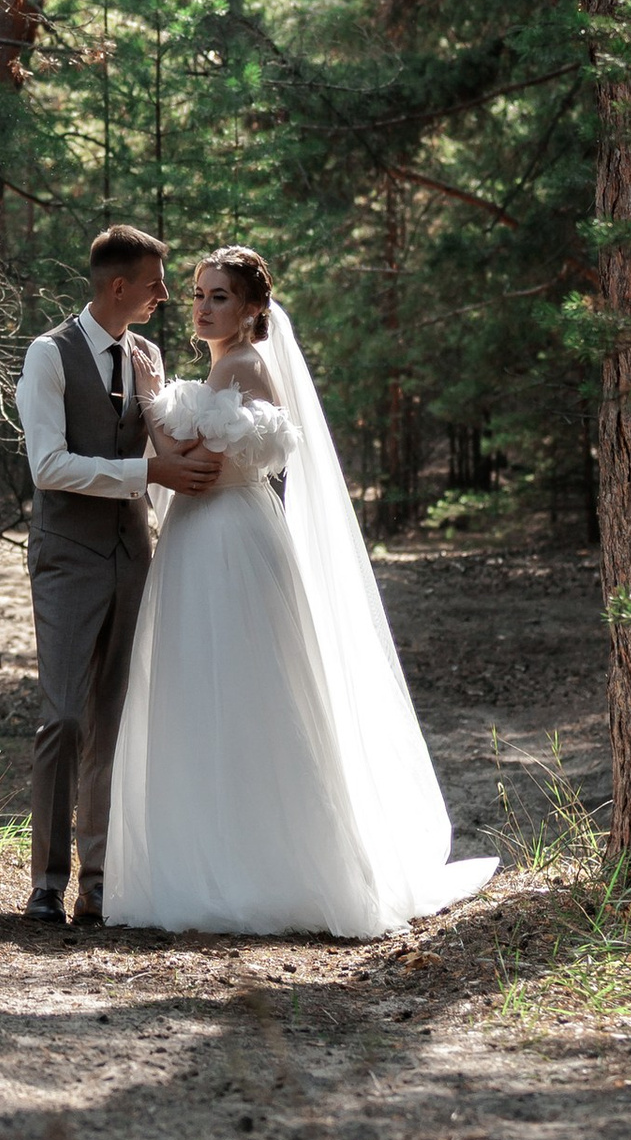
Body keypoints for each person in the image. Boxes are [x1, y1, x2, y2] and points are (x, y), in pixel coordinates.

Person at [106, 247, 497, 937]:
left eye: (219, 296)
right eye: (198, 294)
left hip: (225, 537)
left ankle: (253, 872)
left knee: (241, 692)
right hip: (214, 537)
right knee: (211, 692)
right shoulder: (230, 366)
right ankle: (220, 857)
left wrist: (148, 396)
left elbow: (203, 469)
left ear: (254, 308)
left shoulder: (243, 365)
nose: (202, 307)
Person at [15, 224, 224, 926]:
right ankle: (46, 879)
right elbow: (48, 466)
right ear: (118, 287)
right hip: (67, 558)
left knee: (112, 720)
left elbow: (167, 441)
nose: (166, 296)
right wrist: (148, 472)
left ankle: (98, 879)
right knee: (65, 718)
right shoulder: (49, 356)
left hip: (133, 557)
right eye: (156, 284)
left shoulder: (147, 355)